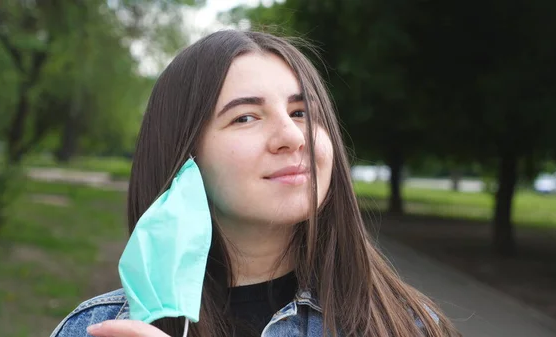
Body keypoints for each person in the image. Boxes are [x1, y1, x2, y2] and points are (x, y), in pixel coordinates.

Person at [50, 30, 460, 337]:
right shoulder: (96, 329)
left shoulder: (408, 325)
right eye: (245, 117)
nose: (292, 136)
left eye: (301, 113)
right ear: (183, 155)